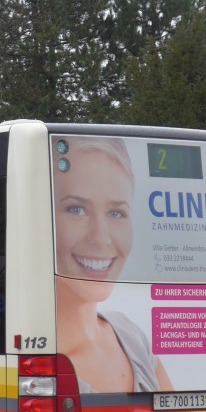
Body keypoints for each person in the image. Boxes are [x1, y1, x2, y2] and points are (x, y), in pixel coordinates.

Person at [53, 136, 173, 394]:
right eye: (76, 210)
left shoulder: (130, 336)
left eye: (116, 213)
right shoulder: (36, 364)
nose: (100, 238)